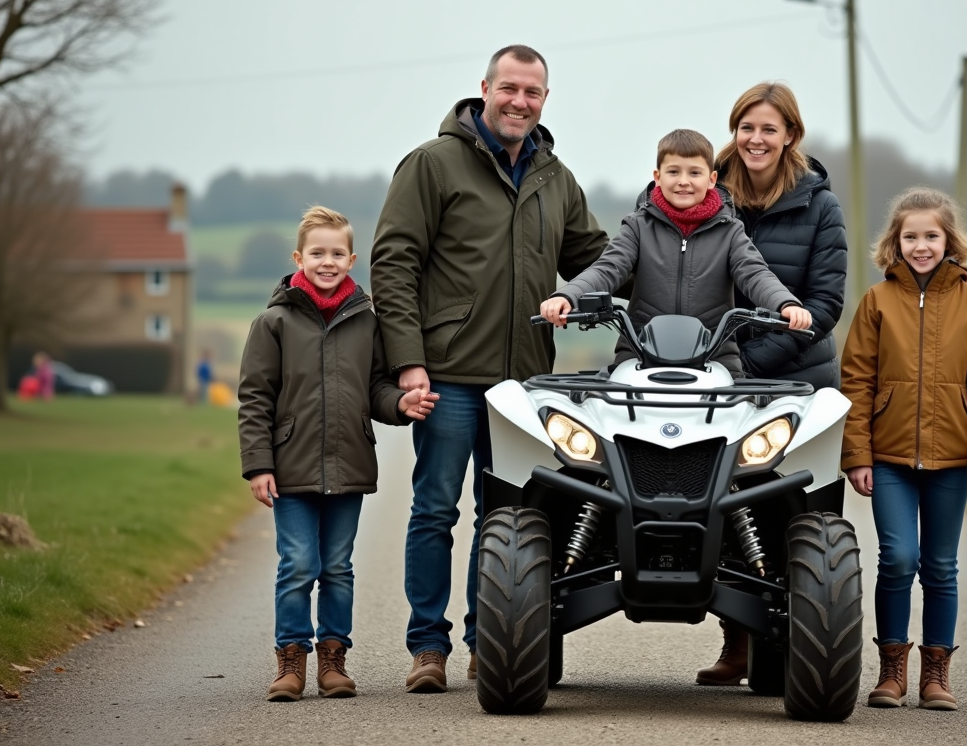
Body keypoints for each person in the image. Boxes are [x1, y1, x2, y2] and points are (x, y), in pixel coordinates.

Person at [369, 44, 611, 693]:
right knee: (434, 511)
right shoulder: (431, 163)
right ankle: (427, 646)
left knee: (505, 517)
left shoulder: (556, 179)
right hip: (446, 375)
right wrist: (408, 362)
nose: (519, 102)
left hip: (523, 385)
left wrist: (678, 263)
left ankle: (490, 643)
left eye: (532, 92)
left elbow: (598, 260)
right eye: (509, 88)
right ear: (484, 89)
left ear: (545, 100)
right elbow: (393, 263)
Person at [239, 206, 438, 702]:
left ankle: (333, 659)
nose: (326, 262)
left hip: (349, 465)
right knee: (297, 564)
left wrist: (399, 404)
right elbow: (255, 398)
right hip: (291, 469)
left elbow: (376, 388)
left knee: (337, 567)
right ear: (298, 258)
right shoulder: (274, 322)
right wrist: (259, 465)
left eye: (336, 253)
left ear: (351, 260)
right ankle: (291, 659)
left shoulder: (366, 321)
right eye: (316, 253)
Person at [696, 81, 848, 685]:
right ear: (734, 131)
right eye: (746, 128)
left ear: (790, 136)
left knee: (788, 508)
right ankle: (737, 642)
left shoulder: (820, 206)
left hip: (794, 378)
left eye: (768, 129)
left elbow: (825, 304)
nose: (755, 139)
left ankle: (789, 645)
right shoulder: (704, 189)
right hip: (710, 376)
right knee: (715, 499)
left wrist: (750, 363)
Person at [841, 187, 967, 711]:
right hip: (889, 459)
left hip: (951, 461)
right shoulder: (876, 301)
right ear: (895, 242)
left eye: (931, 236)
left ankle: (936, 675)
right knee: (897, 558)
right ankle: (891, 670)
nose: (920, 246)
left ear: (948, 240)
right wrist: (858, 454)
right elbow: (856, 382)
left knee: (940, 566)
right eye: (910, 236)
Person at [540, 129, 812, 364]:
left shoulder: (730, 231)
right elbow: (607, 269)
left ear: (712, 179)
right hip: (639, 353)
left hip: (715, 356)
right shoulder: (637, 226)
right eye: (673, 171)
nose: (684, 181)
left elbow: (755, 273)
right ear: (657, 176)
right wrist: (567, 296)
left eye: (694, 172)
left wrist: (785, 304)